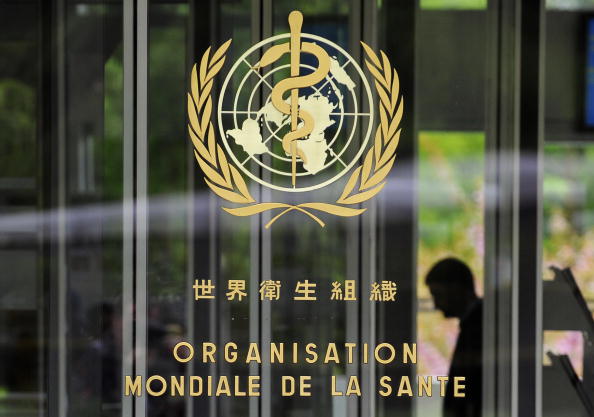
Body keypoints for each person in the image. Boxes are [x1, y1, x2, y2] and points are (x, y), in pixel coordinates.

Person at [425, 258, 483, 417]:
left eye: (438, 295)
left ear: (456, 289)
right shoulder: (477, 323)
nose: (436, 305)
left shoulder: (477, 327)